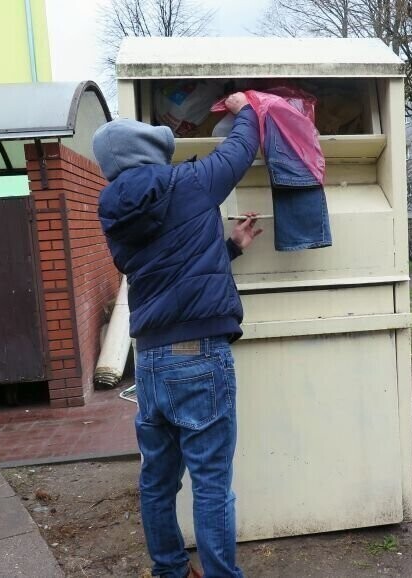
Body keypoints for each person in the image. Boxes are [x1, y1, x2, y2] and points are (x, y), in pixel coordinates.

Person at [92, 93, 260, 578]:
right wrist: (248, 105)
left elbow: (164, 268)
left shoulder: (113, 211)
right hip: (200, 355)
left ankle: (169, 570)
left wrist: (229, 247)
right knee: (210, 484)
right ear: (151, 151)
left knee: (157, 481)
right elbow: (239, 151)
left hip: (151, 361)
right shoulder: (187, 183)